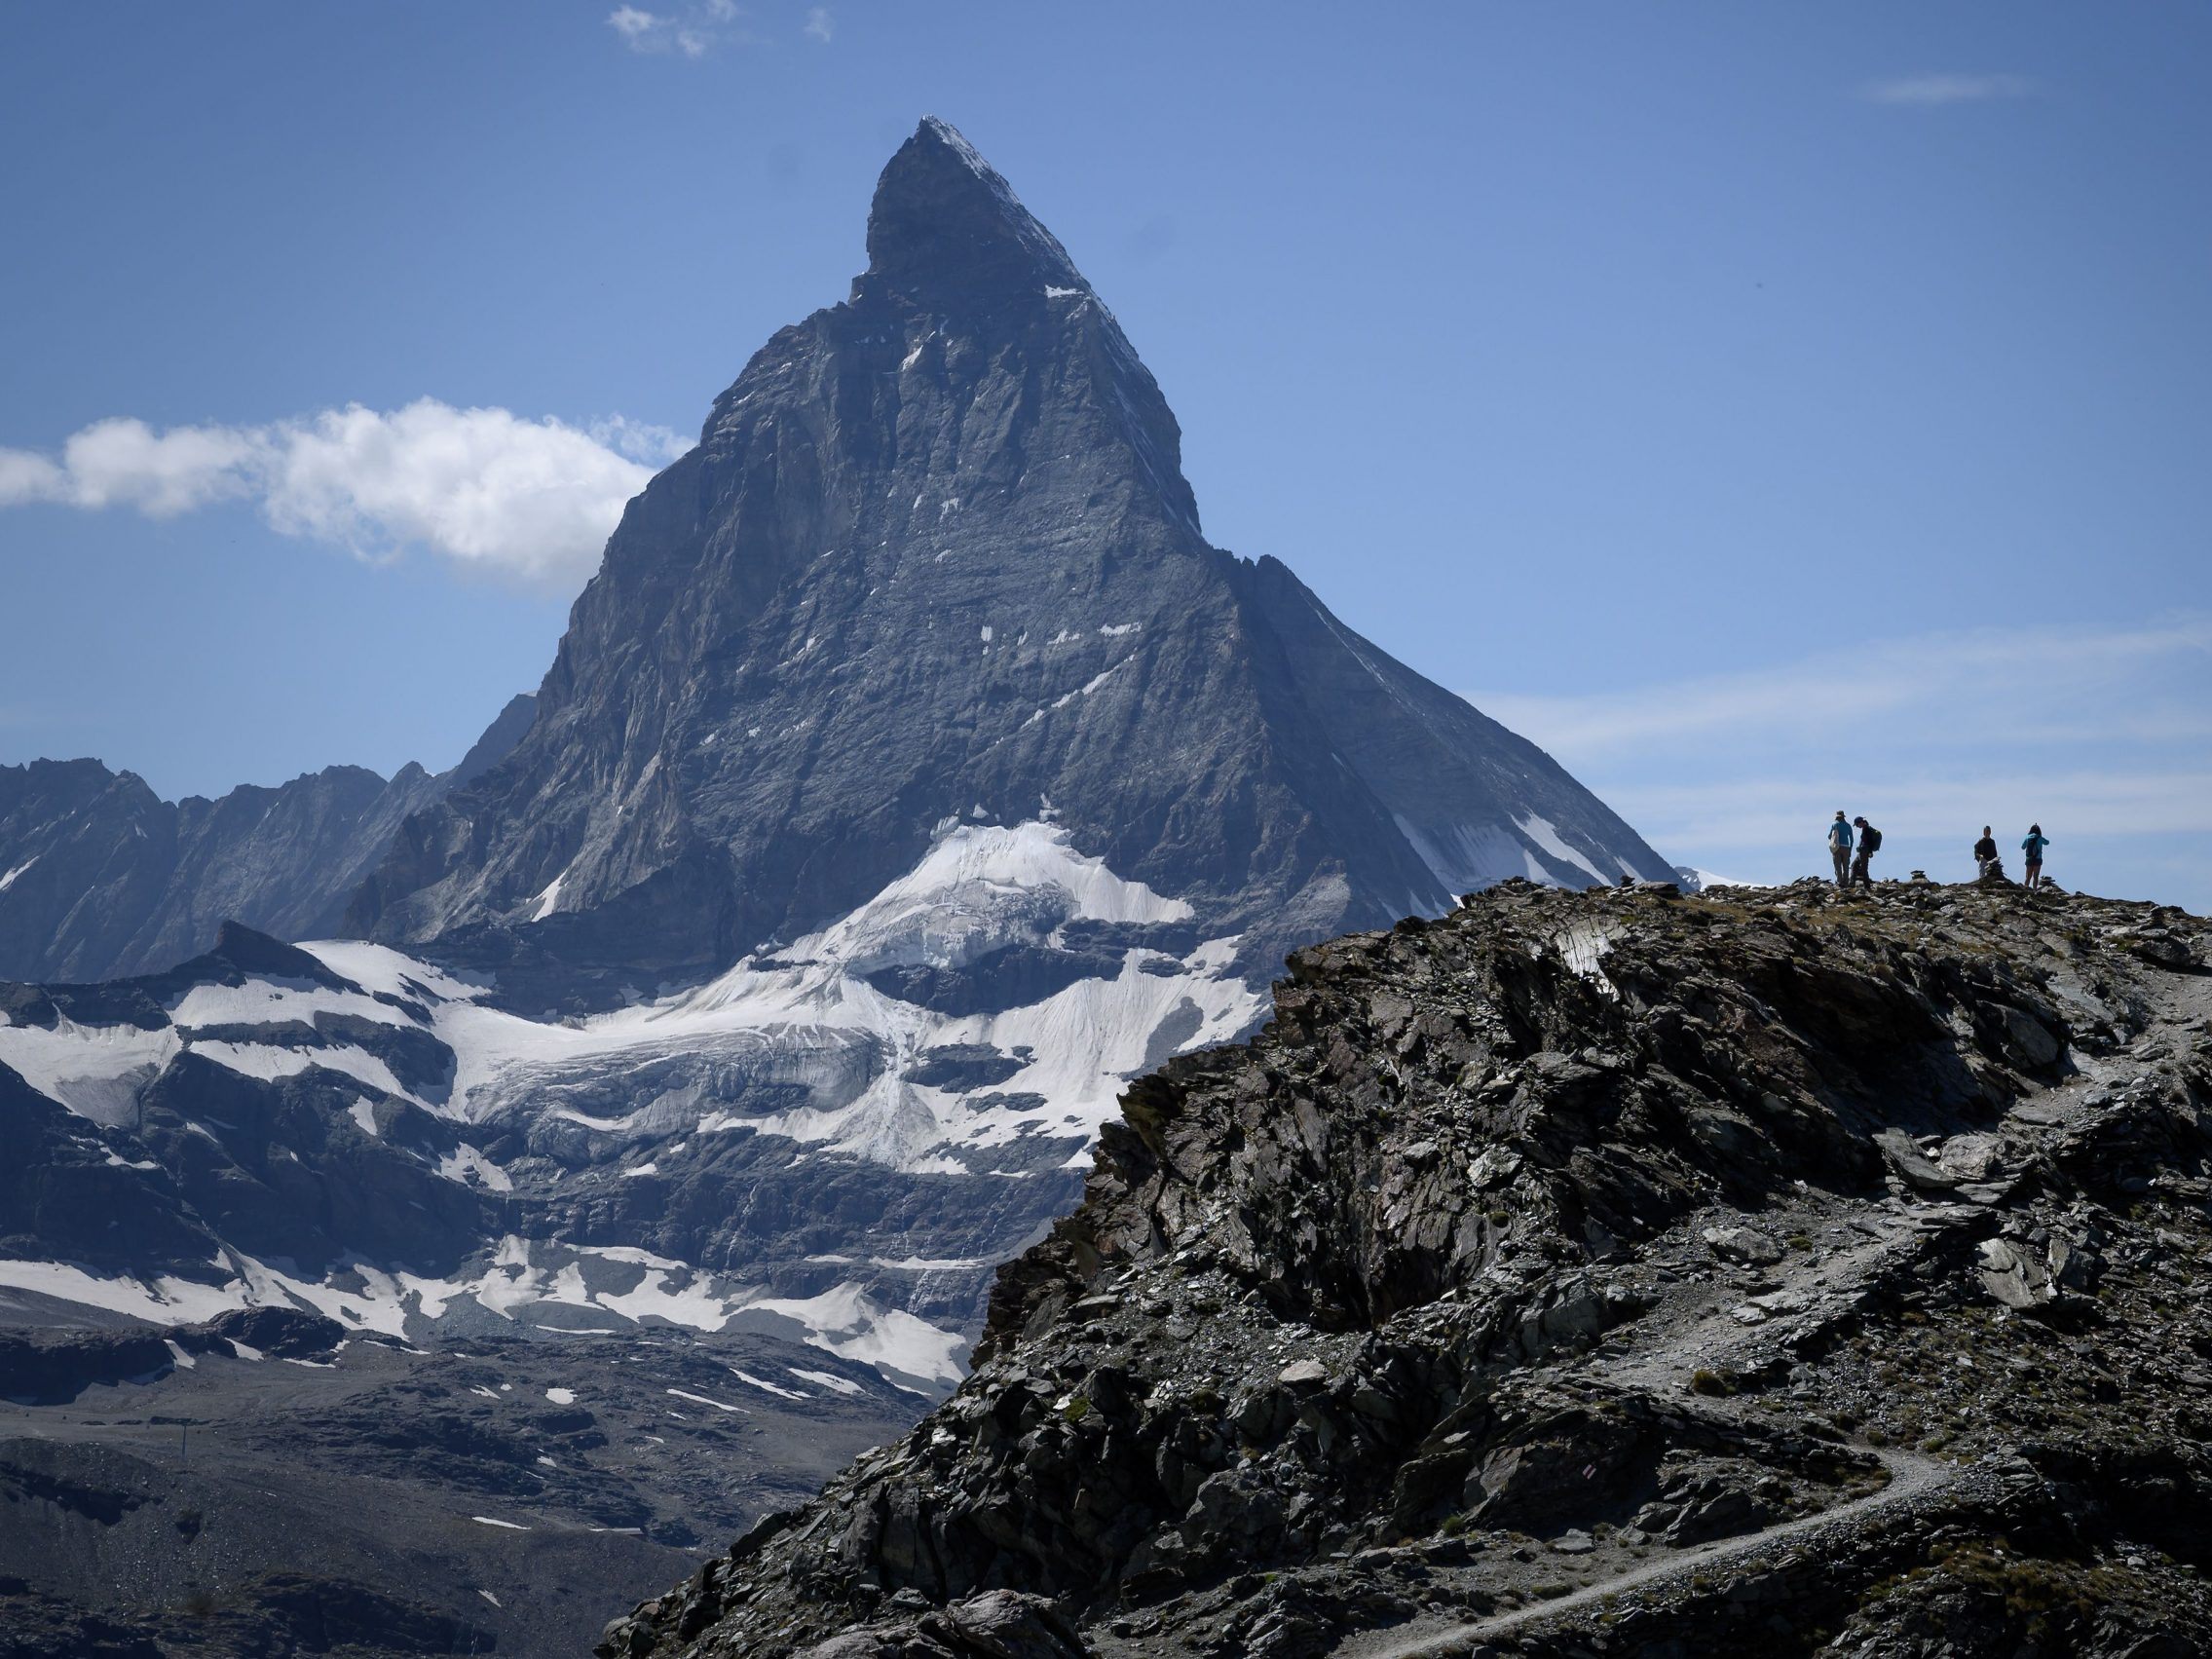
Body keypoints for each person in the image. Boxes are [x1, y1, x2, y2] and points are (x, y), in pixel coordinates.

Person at [1851, 815, 1882, 888]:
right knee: (1854, 865)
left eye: (1857, 825)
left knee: (1863, 869)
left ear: (1860, 823)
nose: (1857, 826)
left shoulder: (1867, 829)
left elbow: (1870, 842)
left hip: (1864, 851)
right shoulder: (1866, 828)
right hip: (1862, 851)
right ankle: (1852, 883)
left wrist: (1870, 852)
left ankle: (1867, 886)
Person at [1827, 811, 1853, 888]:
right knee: (1846, 866)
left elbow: (1829, 836)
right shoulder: (1848, 826)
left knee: (1837, 866)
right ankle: (1846, 882)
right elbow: (1851, 839)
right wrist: (1850, 849)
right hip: (1846, 847)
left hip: (1837, 847)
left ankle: (1839, 882)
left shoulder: (1834, 824)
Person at [2022, 823, 2050, 890]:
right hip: (2038, 859)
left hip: (2029, 859)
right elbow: (2047, 842)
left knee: (2028, 877)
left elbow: (2023, 847)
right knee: (2035, 876)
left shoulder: (2027, 837)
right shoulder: (2039, 838)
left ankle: (2025, 889)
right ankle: (2034, 891)